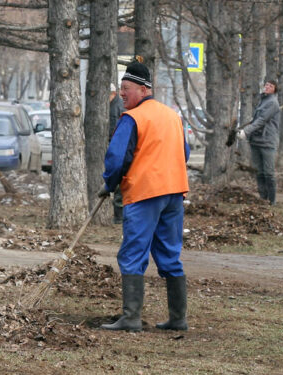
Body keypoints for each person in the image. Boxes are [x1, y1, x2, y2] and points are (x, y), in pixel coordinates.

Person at [98, 60, 190, 332]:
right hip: (174, 194)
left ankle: (131, 317)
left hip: (146, 193)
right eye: (121, 88)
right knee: (169, 254)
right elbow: (183, 153)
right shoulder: (172, 115)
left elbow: (117, 159)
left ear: (143, 89)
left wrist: (109, 183)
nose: (123, 93)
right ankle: (178, 318)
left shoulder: (133, 118)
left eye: (126, 88)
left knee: (133, 253)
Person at [237, 80, 280, 205]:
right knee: (259, 172)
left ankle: (272, 201)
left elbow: (261, 120)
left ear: (274, 90)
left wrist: (246, 132)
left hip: (267, 142)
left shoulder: (272, 103)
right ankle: (263, 199)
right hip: (256, 141)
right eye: (266, 85)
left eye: (270, 86)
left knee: (269, 173)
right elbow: (256, 119)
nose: (267, 87)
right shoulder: (264, 100)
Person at [108, 82, 125, 224]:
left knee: (119, 186)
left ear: (112, 94)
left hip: (117, 150)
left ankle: (119, 217)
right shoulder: (112, 106)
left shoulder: (117, 108)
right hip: (114, 148)